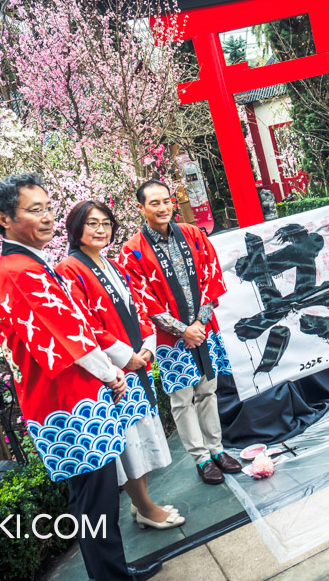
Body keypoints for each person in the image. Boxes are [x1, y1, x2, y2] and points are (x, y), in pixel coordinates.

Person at [0, 174, 157, 581]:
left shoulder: (30, 264)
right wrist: (112, 372)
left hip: (77, 399)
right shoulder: (19, 271)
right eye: (34, 210)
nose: (47, 217)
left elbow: (80, 324)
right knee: (94, 501)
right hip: (66, 406)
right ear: (4, 219)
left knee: (95, 499)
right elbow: (68, 337)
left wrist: (118, 364)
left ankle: (113, 572)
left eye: (48, 207)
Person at [56, 200, 184, 531]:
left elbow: (139, 308)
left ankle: (142, 504)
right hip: (111, 371)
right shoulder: (69, 269)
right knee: (127, 439)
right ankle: (144, 507)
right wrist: (126, 357)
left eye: (106, 224)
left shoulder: (112, 265)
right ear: (76, 229)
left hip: (134, 362)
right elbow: (83, 324)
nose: (101, 230)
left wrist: (147, 348)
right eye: (92, 224)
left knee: (138, 435)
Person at [118, 180, 241, 484]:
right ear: (141, 208)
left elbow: (212, 275)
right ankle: (201, 458)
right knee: (182, 398)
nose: (163, 208)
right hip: (169, 340)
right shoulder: (132, 251)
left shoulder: (193, 234)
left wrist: (198, 323)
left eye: (166, 201)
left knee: (208, 391)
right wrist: (182, 330)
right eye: (154, 203)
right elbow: (142, 299)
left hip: (203, 328)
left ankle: (217, 449)